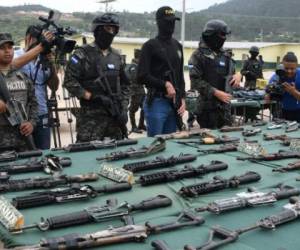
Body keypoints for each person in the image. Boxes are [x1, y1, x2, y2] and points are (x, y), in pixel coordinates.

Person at [64, 13, 130, 142]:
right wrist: (92, 96)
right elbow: (69, 81)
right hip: (91, 120)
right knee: (87, 155)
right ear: (98, 30)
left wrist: (123, 108)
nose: (111, 32)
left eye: (114, 29)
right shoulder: (82, 54)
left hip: (114, 120)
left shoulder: (117, 56)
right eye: (108, 29)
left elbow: (125, 85)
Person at [137, 6, 186, 137]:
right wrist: (165, 84)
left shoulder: (178, 46)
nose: (171, 24)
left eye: (173, 21)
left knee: (170, 146)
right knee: (155, 145)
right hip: (156, 103)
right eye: (167, 21)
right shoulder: (150, 46)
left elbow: (180, 75)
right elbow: (141, 76)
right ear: (159, 22)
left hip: (174, 104)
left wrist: (182, 97)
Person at [188, 19, 241, 129]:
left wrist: (238, 75)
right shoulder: (198, 56)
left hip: (225, 108)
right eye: (222, 35)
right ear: (211, 35)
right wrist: (215, 92)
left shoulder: (225, 55)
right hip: (207, 109)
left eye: (225, 35)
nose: (224, 38)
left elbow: (232, 75)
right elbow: (195, 82)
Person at [14, 25, 59, 149]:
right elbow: (12, 66)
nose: (41, 44)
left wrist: (51, 65)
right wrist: (38, 49)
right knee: (23, 155)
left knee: (44, 154)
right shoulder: (16, 55)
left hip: (42, 113)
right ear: (28, 38)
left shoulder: (43, 59)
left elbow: (54, 86)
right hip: (22, 117)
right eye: (39, 40)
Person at [0, 33, 38, 152]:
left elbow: (34, 104)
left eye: (10, 47)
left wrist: (31, 123)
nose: (7, 51)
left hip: (23, 139)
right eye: (2, 48)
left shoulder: (22, 76)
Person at [268, 52, 300, 122]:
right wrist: (269, 93)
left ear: (297, 66)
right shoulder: (277, 76)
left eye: (292, 69)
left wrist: (294, 92)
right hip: (282, 112)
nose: (289, 71)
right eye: (286, 68)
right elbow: (268, 97)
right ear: (282, 66)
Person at [127, 49, 146, 133]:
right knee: (132, 109)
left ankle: (141, 124)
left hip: (141, 91)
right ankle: (133, 127)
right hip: (135, 92)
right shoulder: (133, 67)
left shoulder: (138, 66)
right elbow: (135, 79)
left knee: (144, 108)